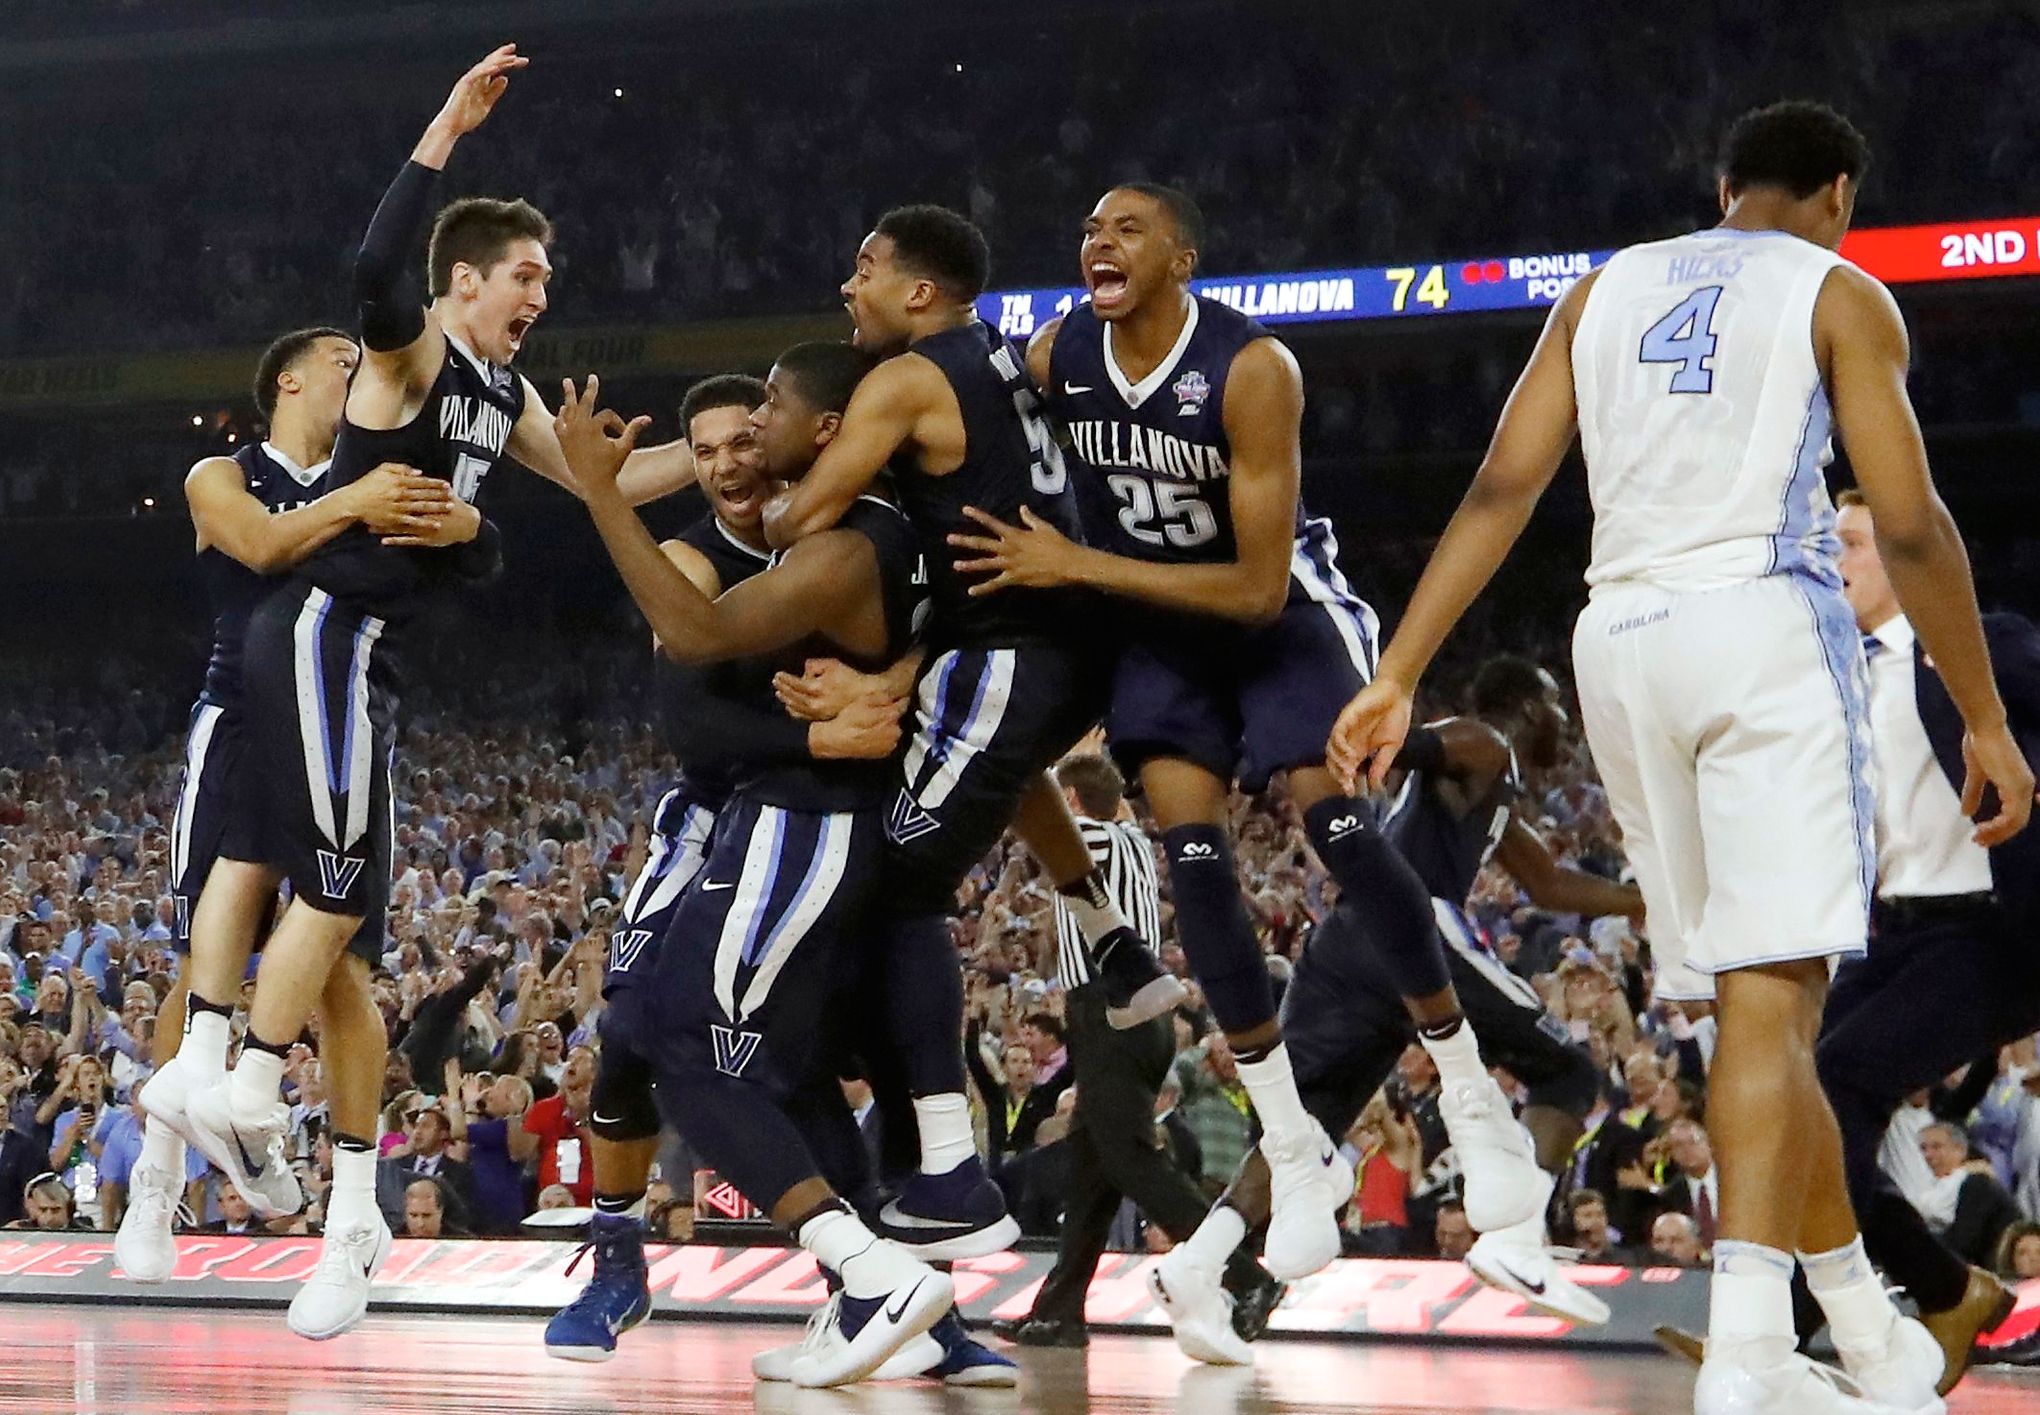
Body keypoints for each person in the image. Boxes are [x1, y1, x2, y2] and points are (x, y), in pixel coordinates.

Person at [1330, 100, 2035, 1415]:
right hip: (1759, 620)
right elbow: (1913, 520)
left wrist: (1398, 668)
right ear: (1837, 194)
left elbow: (1500, 484)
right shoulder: (1841, 287)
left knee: (1748, 1023)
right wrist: (1984, 715)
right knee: (1778, 1005)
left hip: (1617, 638)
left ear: (1720, 187)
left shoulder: (1601, 287)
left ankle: (1873, 1342)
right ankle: (1756, 1346)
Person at [175, 47, 694, 1344]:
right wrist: (445, 133)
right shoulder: (407, 357)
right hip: (322, 627)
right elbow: (371, 273)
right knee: (337, 886)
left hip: (368, 646)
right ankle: (236, 1077)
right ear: (466, 281)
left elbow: (600, 489)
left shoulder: (501, 390)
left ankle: (235, 1075)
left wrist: (738, 453)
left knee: (348, 894)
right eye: (526, 275)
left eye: (544, 280)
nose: (541, 293)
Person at [952, 184, 1544, 1284]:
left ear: (1182, 256)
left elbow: (1259, 588)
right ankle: (1286, 1136)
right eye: (1087, 228)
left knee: (1337, 826)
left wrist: (1073, 563)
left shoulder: (1254, 367)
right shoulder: (1057, 352)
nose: (1098, 241)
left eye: (1126, 228)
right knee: (1195, 864)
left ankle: (1468, 1089)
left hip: (1276, 617)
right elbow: (951, 382)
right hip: (1157, 629)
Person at [763, 203, 1186, 1265]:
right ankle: (1116, 942)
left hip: (1011, 651)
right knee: (1001, 778)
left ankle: (951, 1170)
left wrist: (767, 490)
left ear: (919, 291)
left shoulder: (909, 376)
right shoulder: (1000, 354)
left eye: (863, 266)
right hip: (1041, 651)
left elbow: (804, 514)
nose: (846, 287)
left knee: (897, 887)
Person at [556, 345, 963, 1389]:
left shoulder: (835, 535)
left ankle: (889, 1287)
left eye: (744, 435)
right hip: (724, 808)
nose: (729, 459)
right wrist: (817, 740)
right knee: (634, 1026)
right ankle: (615, 1258)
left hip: (806, 821)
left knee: (785, 1051)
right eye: (704, 450)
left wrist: (900, 680)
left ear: (783, 439)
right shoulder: (692, 559)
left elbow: (932, 605)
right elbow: (689, 720)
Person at [1150, 652, 1631, 1362]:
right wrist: (1311, 728)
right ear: (1529, 706)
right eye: (1558, 705)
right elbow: (1391, 738)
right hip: (1412, 928)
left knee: (1305, 1126)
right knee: (1568, 1073)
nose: (1565, 720)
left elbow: (1552, 883)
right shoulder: (1485, 742)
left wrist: (1656, 900)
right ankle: (1517, 1238)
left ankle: (1198, 1263)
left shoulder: (1493, 782)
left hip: (1345, 943)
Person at [118, 324, 460, 1284]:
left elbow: (451, 553)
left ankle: (352, 1216)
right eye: (347, 363)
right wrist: (354, 501)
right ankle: (157, 1182)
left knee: (340, 976)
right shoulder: (219, 475)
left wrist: (465, 525)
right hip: (237, 721)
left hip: (344, 717)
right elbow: (265, 545)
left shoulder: (382, 464)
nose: (364, 375)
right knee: (198, 970)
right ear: (290, 378)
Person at [1801, 487, 2039, 1392]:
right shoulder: (1831, 668)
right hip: (1889, 929)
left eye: (1852, 542)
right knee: (1794, 1103)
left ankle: (1788, 1331)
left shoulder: (1977, 647)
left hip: (1990, 927)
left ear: (1904, 560)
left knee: (1837, 1081)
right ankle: (1946, 1289)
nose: (1836, 558)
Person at [994, 754, 1282, 1351]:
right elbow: (1099, 799)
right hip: (1133, 1014)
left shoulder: (1089, 837)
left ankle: (1243, 1275)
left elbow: (1031, 798)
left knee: (1128, 1159)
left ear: (1069, 805)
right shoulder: (1125, 837)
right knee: (1092, 1171)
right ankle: (1061, 1311)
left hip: (1112, 1009)